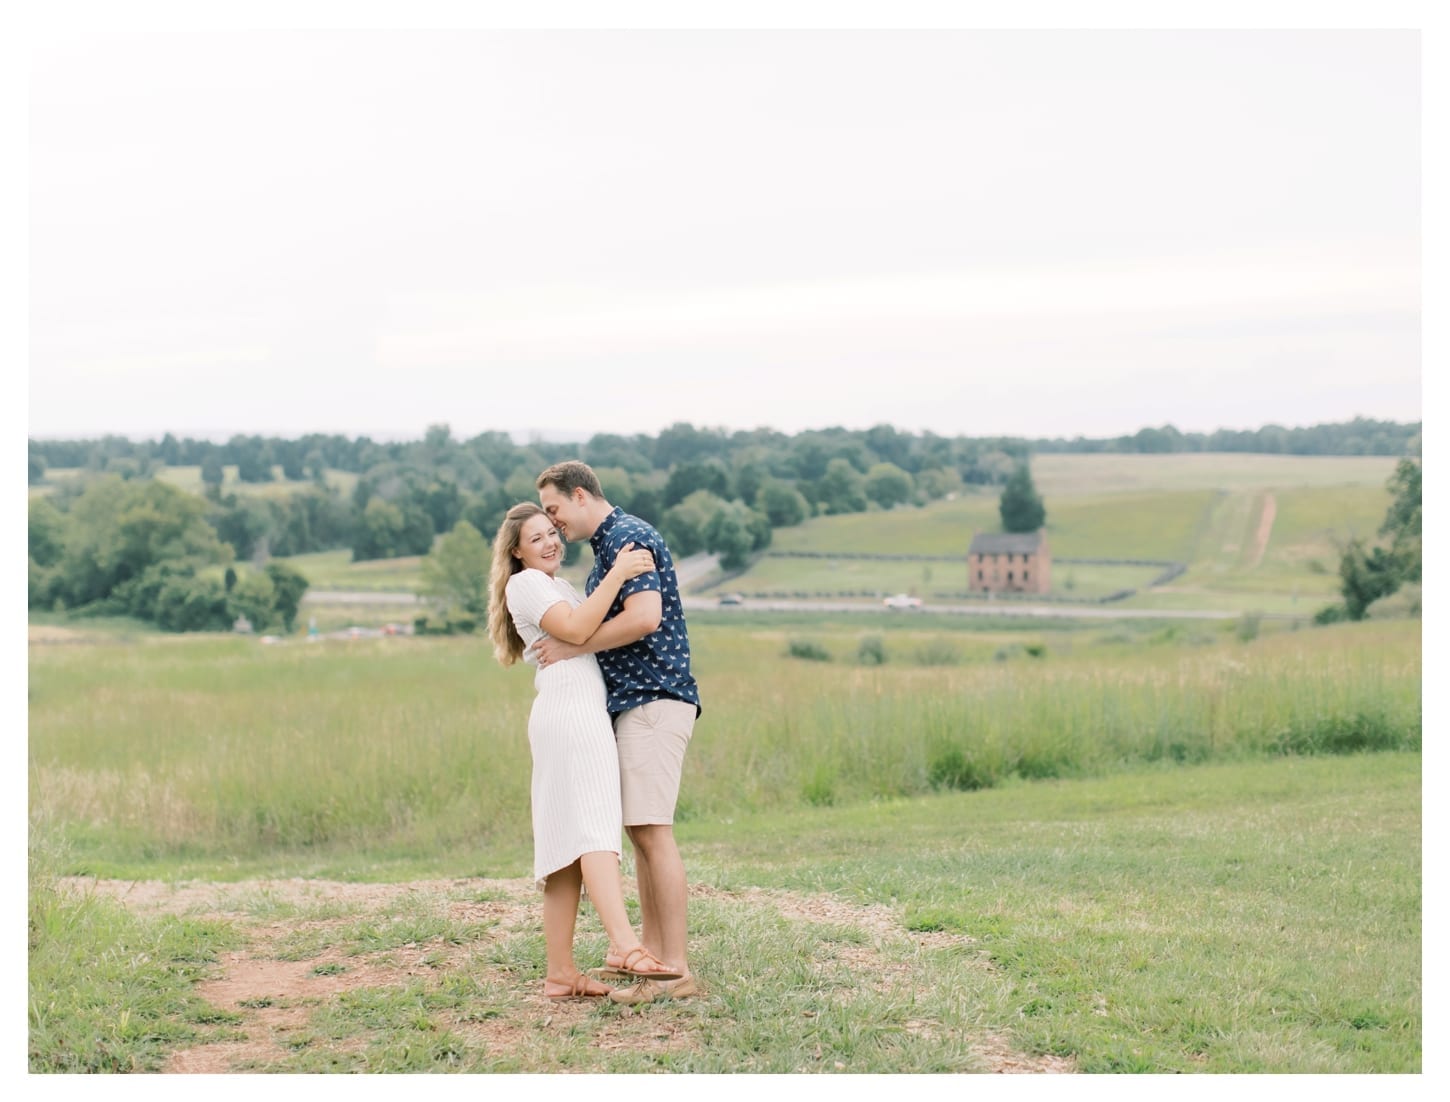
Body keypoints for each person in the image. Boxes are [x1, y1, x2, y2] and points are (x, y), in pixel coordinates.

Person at [486, 502, 684, 1001]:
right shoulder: (525, 584)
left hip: (572, 713)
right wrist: (618, 573)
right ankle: (624, 945)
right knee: (595, 827)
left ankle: (560, 973)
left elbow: (580, 631)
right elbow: (576, 632)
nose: (551, 541)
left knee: (565, 847)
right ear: (516, 551)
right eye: (537, 538)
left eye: (553, 532)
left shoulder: (560, 587)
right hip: (573, 717)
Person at [529, 461, 702, 1006]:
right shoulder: (609, 550)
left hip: (654, 698)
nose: (555, 526)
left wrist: (575, 646)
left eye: (555, 511)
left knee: (653, 831)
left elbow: (646, 617)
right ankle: (653, 960)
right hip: (636, 702)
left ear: (581, 495)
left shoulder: (628, 537)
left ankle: (675, 970)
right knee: (642, 833)